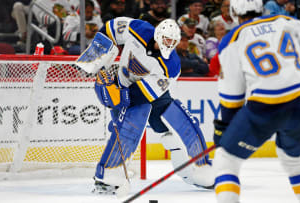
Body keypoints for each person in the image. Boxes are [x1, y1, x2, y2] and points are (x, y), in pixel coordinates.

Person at [212, 0, 300, 203]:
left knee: (226, 160)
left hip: (266, 105)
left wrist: (225, 127)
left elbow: (232, 96)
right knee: (295, 160)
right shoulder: (287, 21)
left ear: (233, 12)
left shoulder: (233, 39)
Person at [88, 17, 215, 195]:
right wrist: (97, 54)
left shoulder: (171, 65)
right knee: (131, 126)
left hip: (155, 96)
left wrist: (115, 96)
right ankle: (109, 176)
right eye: (166, 39)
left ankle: (198, 171)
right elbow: (111, 28)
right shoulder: (138, 28)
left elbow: (140, 95)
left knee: (182, 126)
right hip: (124, 84)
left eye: (173, 41)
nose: (169, 44)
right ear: (157, 35)